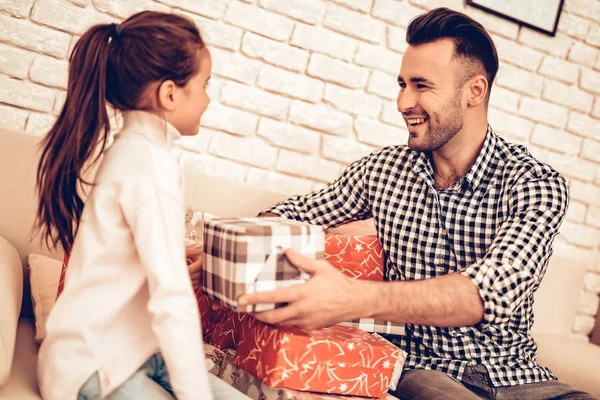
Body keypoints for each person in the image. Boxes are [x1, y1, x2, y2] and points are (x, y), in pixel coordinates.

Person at [238, 7, 594, 400]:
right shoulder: (384, 170)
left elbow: (490, 291)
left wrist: (352, 299)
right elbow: (291, 214)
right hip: (424, 370)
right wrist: (229, 253)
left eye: (421, 85)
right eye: (402, 83)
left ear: (474, 91)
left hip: (521, 378)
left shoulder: (535, 183)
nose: (403, 101)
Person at [35, 11, 248, 400]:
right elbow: (172, 298)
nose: (208, 97)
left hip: (133, 351)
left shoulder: (136, 152)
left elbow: (125, 253)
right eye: (205, 84)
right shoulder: (150, 165)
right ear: (169, 94)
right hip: (92, 365)